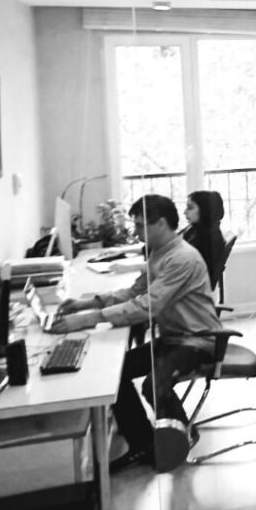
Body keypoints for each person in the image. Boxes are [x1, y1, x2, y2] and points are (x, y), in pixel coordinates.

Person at [52, 195, 223, 473]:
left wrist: (89, 319)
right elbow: (135, 292)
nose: (137, 231)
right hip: (173, 337)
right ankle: (144, 444)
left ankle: (180, 438)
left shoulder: (182, 258)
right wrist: (89, 303)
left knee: (154, 384)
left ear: (162, 224)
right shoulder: (159, 252)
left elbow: (147, 305)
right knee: (115, 373)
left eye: (142, 225)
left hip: (198, 340)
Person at [182, 190, 227, 290]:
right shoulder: (196, 230)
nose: (185, 212)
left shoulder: (206, 239)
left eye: (190, 207)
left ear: (204, 210)